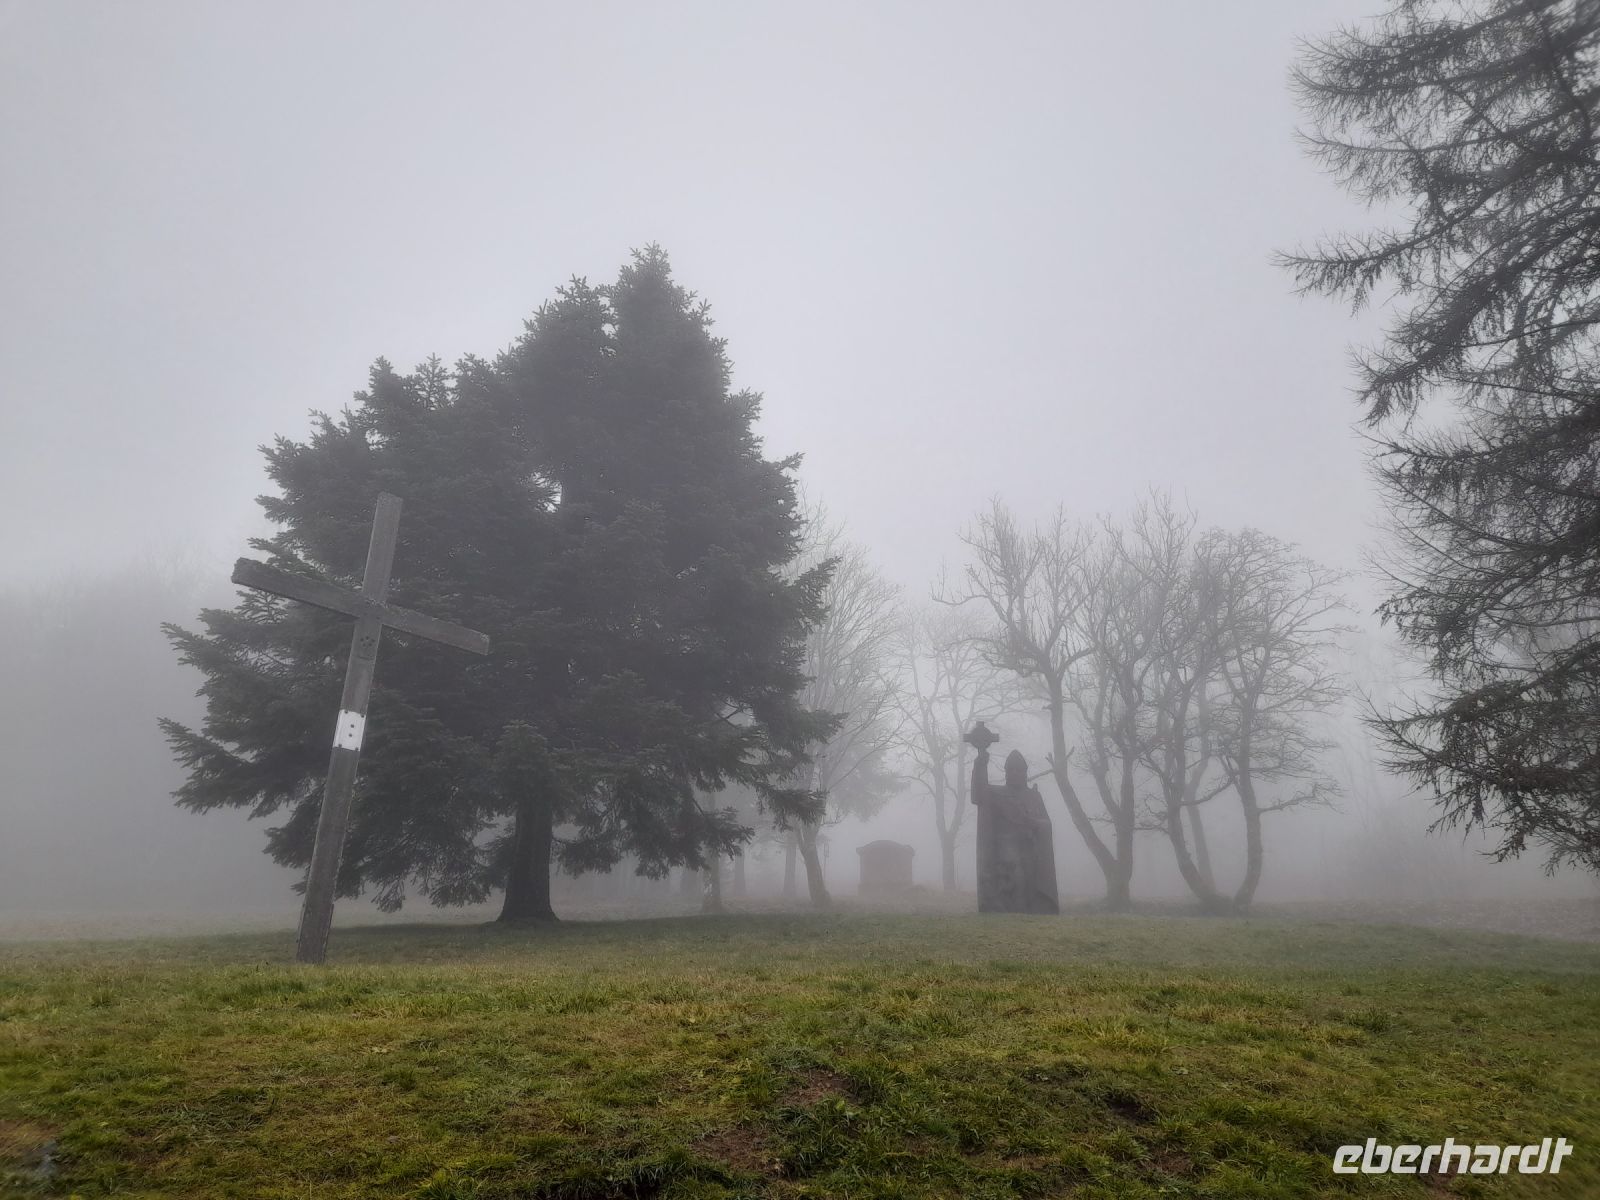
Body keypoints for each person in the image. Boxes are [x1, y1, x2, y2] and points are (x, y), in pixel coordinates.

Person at [969, 733, 1059, 915]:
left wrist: (1032, 822)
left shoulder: (1034, 795)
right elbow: (979, 795)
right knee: (1015, 872)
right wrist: (980, 763)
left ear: (1025, 773)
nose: (1016, 773)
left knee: (1028, 875)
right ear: (1006, 772)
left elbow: (1046, 824)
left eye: (1020, 770)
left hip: (1029, 848)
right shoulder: (997, 794)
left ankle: (1033, 909)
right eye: (1012, 770)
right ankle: (1009, 910)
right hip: (1004, 850)